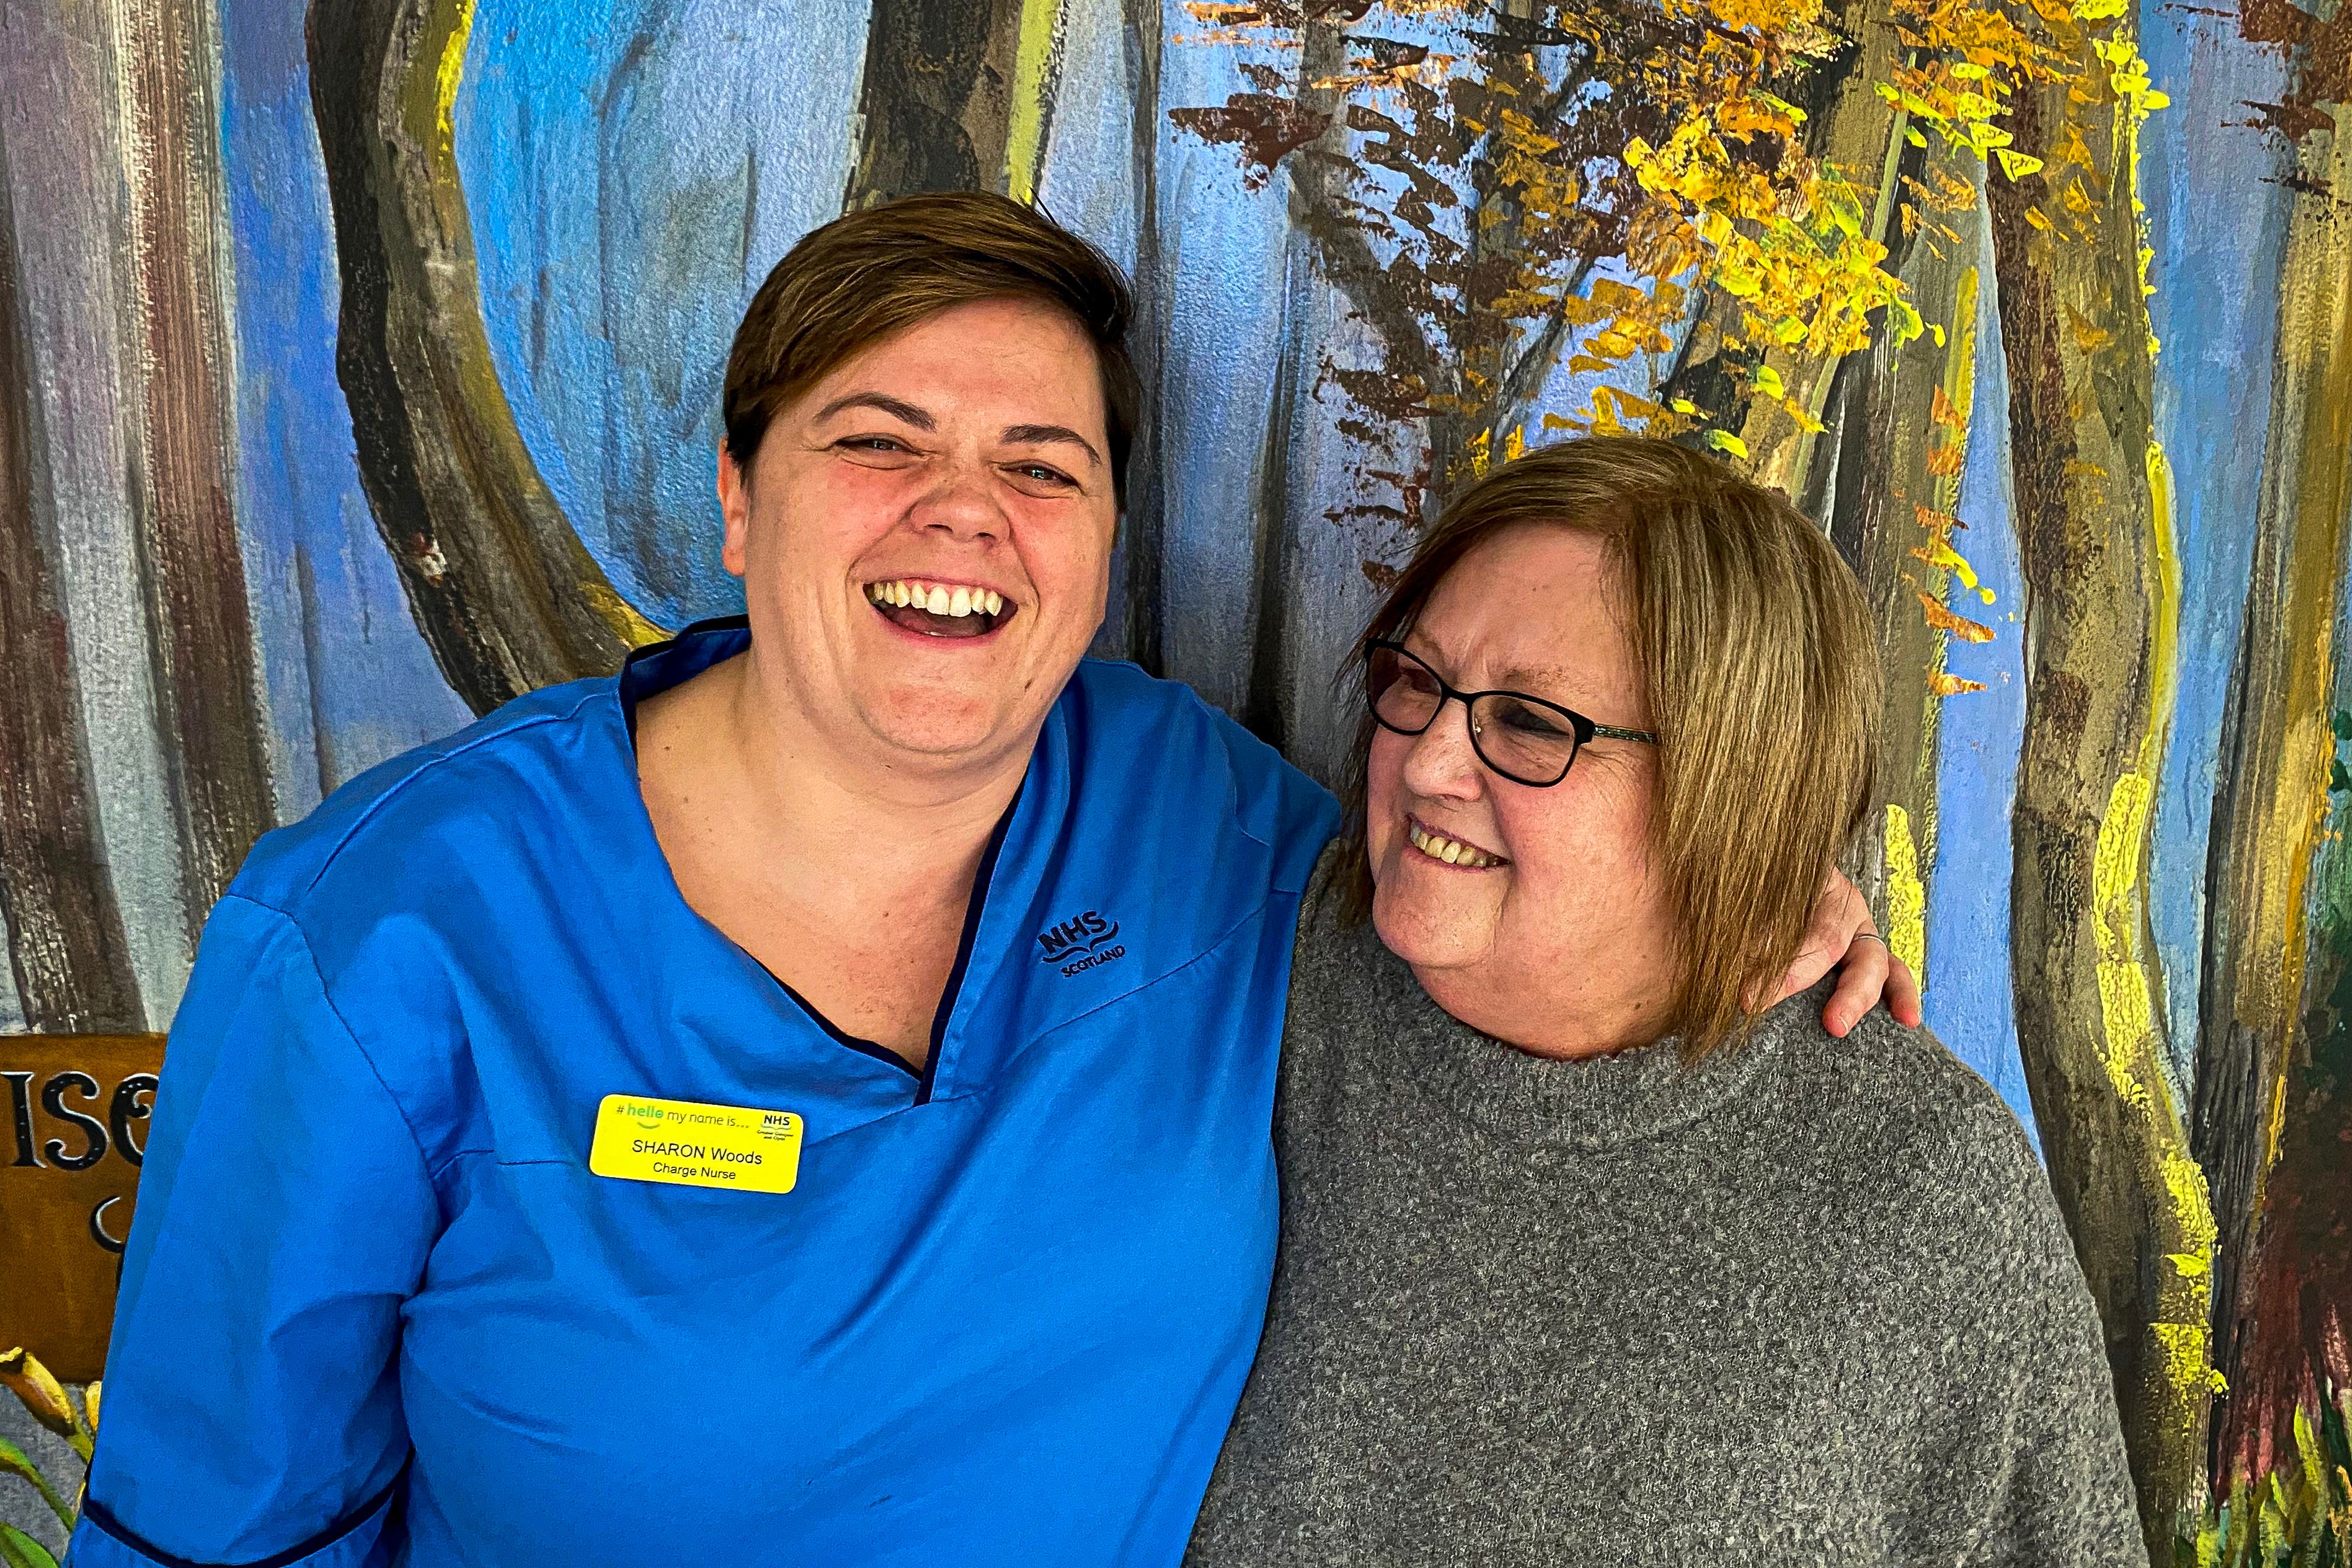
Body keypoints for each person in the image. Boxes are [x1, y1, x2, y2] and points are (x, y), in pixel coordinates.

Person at [69, 198, 1906, 1567]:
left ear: (1106, 543)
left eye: (1044, 465)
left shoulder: (1210, 824)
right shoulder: (378, 938)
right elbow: (205, 1532)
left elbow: (1498, 871)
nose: (964, 514)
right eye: (878, 441)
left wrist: (1740, 867)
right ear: (736, 494)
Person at [1184, 437, 2142, 1567]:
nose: (1430, 761)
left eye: (1533, 725)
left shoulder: (1920, 1189)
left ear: (1731, 792)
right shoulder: (1255, 975)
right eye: (1418, 682)